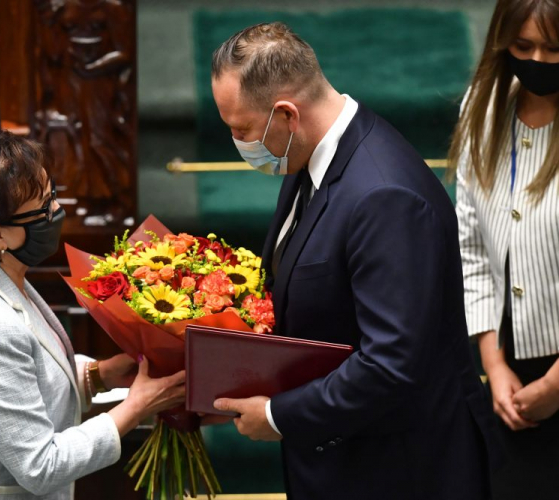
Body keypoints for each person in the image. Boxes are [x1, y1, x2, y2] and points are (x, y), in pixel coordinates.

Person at [208, 22, 498, 499]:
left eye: (241, 129)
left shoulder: (385, 195)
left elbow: (391, 363)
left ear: (286, 114)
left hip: (398, 470)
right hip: (343, 458)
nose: (238, 142)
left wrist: (280, 415)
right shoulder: (311, 153)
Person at [0, 129, 185, 499]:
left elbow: (20, 384)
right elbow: (41, 465)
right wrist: (137, 407)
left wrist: (99, 375)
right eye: (44, 208)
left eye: (52, 196)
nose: (57, 213)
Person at [448, 1, 559, 498]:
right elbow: (470, 245)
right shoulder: (483, 105)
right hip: (509, 362)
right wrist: (493, 363)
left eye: (555, 49)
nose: (538, 59)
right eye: (523, 46)